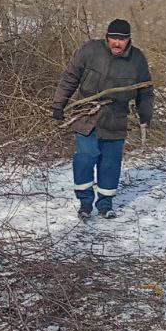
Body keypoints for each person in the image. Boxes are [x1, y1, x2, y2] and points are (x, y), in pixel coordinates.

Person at [51, 19, 153, 219]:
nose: (117, 43)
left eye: (122, 39)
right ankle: (85, 203)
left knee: (110, 163)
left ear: (129, 40)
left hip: (116, 118)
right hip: (86, 116)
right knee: (86, 156)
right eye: (114, 38)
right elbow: (70, 77)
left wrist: (145, 115)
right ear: (107, 37)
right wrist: (58, 104)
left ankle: (105, 204)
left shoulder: (137, 59)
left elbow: (145, 91)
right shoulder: (90, 51)